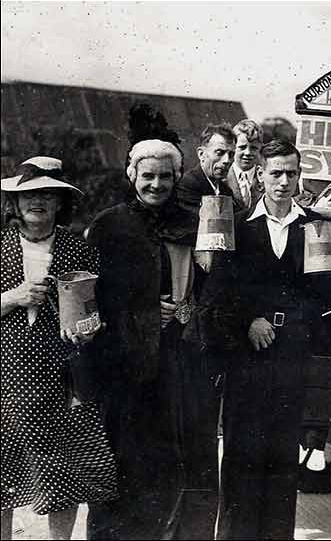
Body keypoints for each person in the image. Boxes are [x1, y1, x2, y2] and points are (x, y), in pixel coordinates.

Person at [83, 116, 220, 539]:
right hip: (125, 367)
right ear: (132, 176)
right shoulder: (109, 227)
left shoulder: (196, 223)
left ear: (178, 176)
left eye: (165, 176)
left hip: (180, 364)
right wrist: (144, 313)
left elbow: (217, 288)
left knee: (175, 462)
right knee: (120, 465)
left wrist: (187, 312)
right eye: (148, 176)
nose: (156, 184)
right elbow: (94, 298)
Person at [200, 139, 331, 539]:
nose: (283, 181)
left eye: (291, 173)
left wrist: (293, 324)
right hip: (248, 358)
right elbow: (217, 292)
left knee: (281, 457)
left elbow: (325, 294)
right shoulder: (236, 225)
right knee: (242, 454)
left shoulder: (315, 228)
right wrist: (248, 322)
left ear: (299, 176)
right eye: (275, 172)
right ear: (260, 174)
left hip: (291, 356)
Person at [1, 157, 117, 540]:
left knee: (62, 473)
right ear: (14, 203)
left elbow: (92, 312)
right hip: (7, 375)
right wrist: (13, 297)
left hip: (59, 377)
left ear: (60, 204)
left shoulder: (76, 248)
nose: (39, 202)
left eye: (49, 195)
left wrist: (87, 330)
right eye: (31, 195)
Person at [176, 122, 237, 215]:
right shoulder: (185, 185)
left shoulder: (226, 190)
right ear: (201, 154)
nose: (227, 160)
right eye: (219, 152)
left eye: (231, 155)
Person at [224, 119, 264, 210]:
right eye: (242, 147)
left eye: (254, 148)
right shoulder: (222, 177)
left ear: (260, 149)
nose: (248, 153)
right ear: (233, 147)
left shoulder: (265, 179)